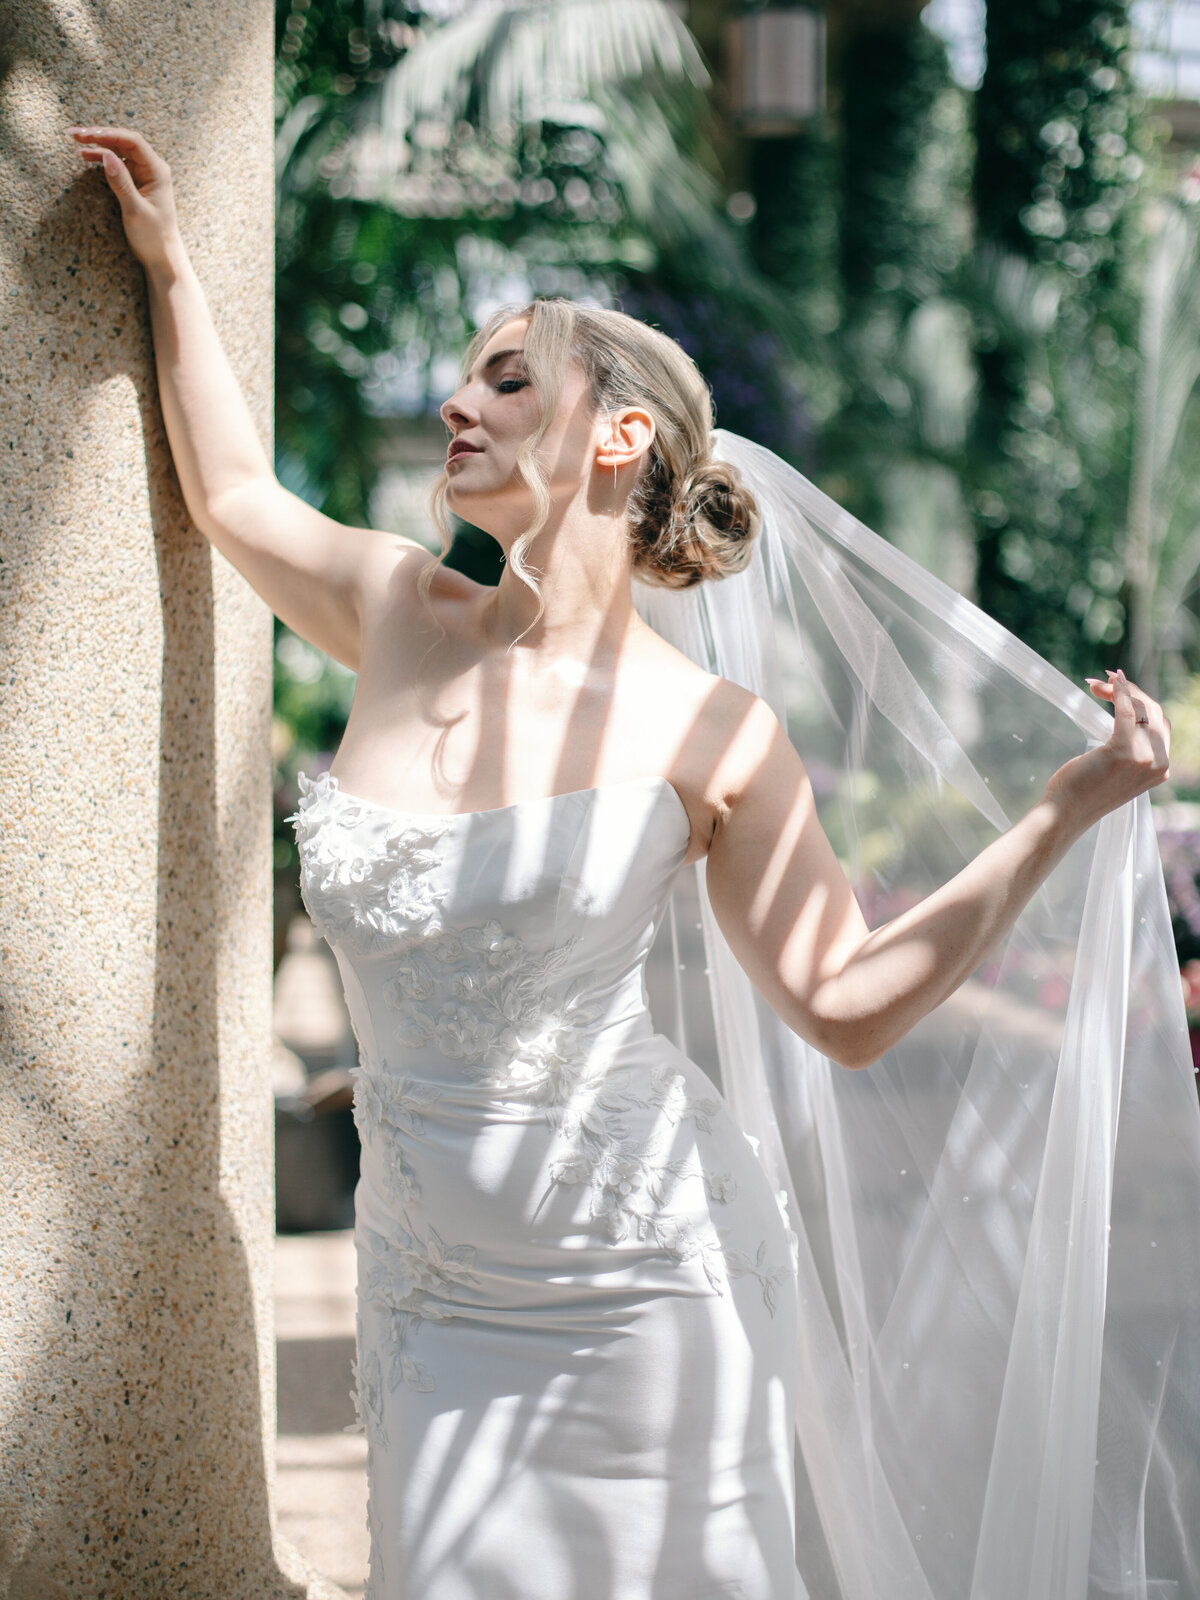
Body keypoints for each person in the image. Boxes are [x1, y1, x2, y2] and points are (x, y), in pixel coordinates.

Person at [71, 125, 1199, 1600]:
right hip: (429, 1301)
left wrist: (1061, 811)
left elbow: (846, 1004)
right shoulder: (398, 614)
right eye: (465, 377)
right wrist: (172, 272)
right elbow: (229, 497)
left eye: (506, 379)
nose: (456, 403)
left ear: (617, 439)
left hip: (647, 1296)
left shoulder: (715, 731)